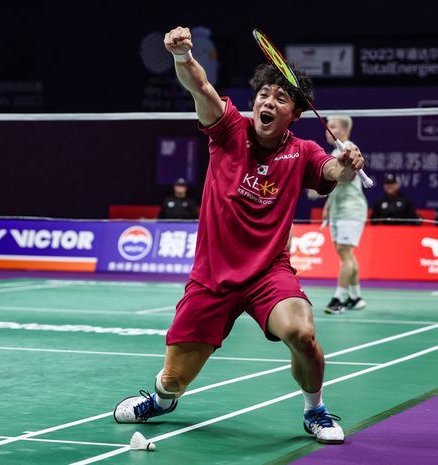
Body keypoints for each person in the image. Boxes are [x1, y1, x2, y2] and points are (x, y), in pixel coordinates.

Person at [113, 26, 365, 445]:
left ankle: (314, 410)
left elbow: (330, 172)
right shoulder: (229, 129)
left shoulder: (301, 151)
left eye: (281, 98)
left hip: (268, 274)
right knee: (173, 380)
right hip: (213, 277)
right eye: (264, 94)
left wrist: (348, 164)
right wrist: (181, 57)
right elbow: (201, 87)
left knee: (302, 333)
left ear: (295, 114)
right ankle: (161, 400)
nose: (268, 101)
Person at [320, 115, 368, 315]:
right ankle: (356, 297)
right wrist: (328, 206)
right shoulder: (335, 151)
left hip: (351, 208)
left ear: (343, 130)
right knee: (345, 253)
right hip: (340, 208)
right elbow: (335, 184)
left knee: (345, 253)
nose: (327, 130)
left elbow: (343, 178)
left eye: (332, 126)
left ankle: (338, 298)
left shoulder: (347, 149)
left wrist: (316, 185)